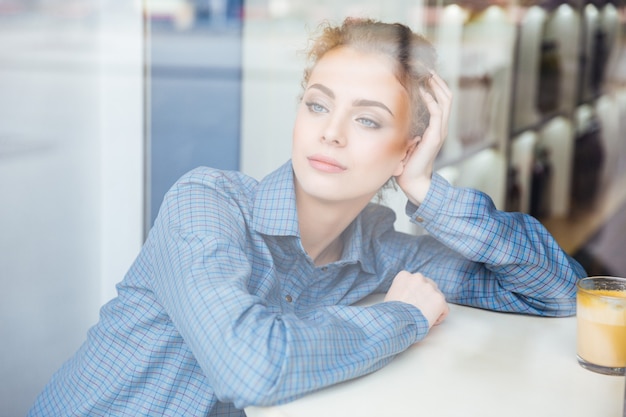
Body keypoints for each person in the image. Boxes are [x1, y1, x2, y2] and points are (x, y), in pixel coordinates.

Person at [28, 17, 586, 417]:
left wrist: (426, 189)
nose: (330, 132)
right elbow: (249, 368)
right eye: (318, 104)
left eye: (367, 121)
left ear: (407, 149)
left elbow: (560, 294)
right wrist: (402, 317)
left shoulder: (381, 249)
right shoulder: (207, 203)